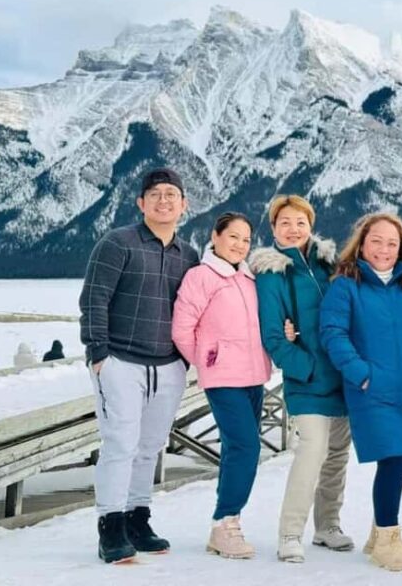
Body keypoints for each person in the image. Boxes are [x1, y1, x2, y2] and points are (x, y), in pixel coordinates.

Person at [79, 167, 199, 564]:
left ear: (184, 205)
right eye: (155, 194)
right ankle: (110, 526)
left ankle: (137, 518)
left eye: (172, 195)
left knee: (150, 447)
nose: (164, 201)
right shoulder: (118, 243)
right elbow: (94, 299)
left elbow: (196, 309)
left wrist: (186, 358)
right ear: (140, 203)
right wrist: (98, 355)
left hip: (168, 366)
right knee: (120, 444)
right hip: (120, 361)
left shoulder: (190, 255)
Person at [319, 213, 402, 572]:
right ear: (362, 243)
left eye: (392, 243)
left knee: (396, 459)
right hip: (370, 388)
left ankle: (378, 534)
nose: (384, 249)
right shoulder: (346, 284)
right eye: (376, 241)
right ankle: (387, 536)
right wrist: (361, 374)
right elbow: (332, 333)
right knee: (393, 456)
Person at [249, 195, 353, 563]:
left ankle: (327, 526)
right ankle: (290, 534)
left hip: (343, 377)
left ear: (311, 224)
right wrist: (306, 368)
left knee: (337, 456)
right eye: (284, 223)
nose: (293, 229)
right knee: (311, 453)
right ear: (273, 228)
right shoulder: (271, 275)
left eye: (300, 222)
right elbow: (274, 338)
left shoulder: (331, 265)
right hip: (306, 381)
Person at [172, 212, 271, 559]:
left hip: (254, 376)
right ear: (215, 236)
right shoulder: (201, 276)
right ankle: (225, 521)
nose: (240, 245)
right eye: (233, 237)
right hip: (223, 378)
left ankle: (226, 524)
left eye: (246, 240)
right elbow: (182, 329)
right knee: (247, 448)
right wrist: (207, 361)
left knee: (235, 449)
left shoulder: (248, 278)